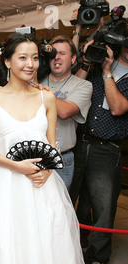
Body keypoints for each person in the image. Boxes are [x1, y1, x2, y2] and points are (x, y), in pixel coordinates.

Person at [0, 32, 96, 264]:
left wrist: (48, 169)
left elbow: (51, 146)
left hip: (41, 185)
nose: (31, 64)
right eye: (23, 58)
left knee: (46, 246)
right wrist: (16, 166)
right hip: (5, 185)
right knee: (8, 246)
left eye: (36, 58)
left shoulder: (46, 98)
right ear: (7, 62)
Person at [70, 28, 128, 264]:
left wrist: (107, 72)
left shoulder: (111, 72)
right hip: (79, 142)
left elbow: (117, 108)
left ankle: (98, 256)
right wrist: (87, 60)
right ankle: (74, 245)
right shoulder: (94, 63)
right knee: (75, 202)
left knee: (103, 207)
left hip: (107, 149)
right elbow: (75, 87)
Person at [39, 35, 92, 190]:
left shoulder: (83, 85)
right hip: (35, 157)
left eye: (62, 53)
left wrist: (36, 89)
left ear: (73, 58)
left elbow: (65, 111)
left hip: (62, 159)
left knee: (59, 211)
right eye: (53, 53)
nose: (57, 57)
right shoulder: (38, 82)